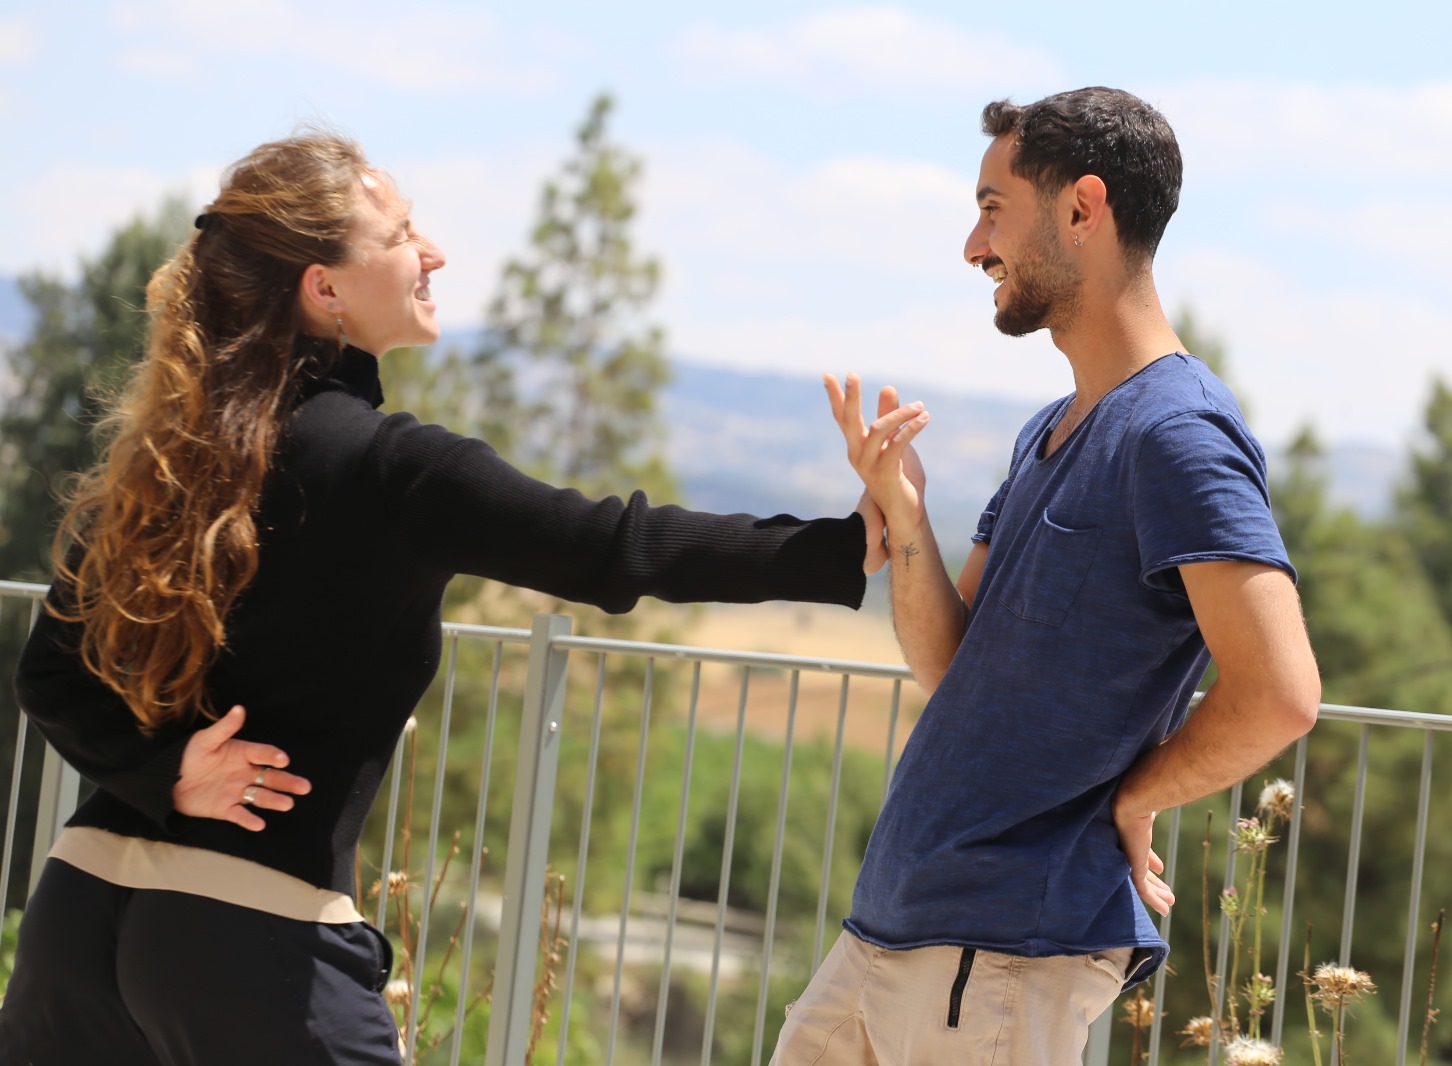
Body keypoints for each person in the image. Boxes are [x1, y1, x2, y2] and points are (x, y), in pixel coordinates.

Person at [0, 132, 909, 1066]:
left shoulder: (168, 457)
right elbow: (614, 546)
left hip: (78, 919)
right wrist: (845, 546)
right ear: (325, 288)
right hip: (248, 944)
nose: (433, 251)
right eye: (401, 233)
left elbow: (48, 676)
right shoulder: (395, 470)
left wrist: (164, 774)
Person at [774, 88, 1322, 1064]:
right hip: (897, 930)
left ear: (1082, 208)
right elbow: (951, 666)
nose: (972, 247)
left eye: (993, 209)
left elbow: (1281, 693)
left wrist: (1133, 797)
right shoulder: (1051, 429)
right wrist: (907, 517)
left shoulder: (1178, 433)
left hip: (999, 958)